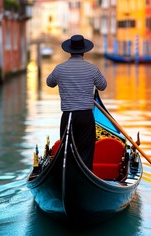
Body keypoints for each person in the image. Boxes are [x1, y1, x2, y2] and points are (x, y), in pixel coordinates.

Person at [46, 35, 107, 170]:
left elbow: (49, 83)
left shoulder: (59, 68)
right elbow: (103, 86)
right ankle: (85, 179)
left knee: (66, 151)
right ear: (84, 51)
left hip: (68, 116)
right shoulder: (92, 69)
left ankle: (68, 177)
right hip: (85, 116)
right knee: (86, 151)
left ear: (69, 51)